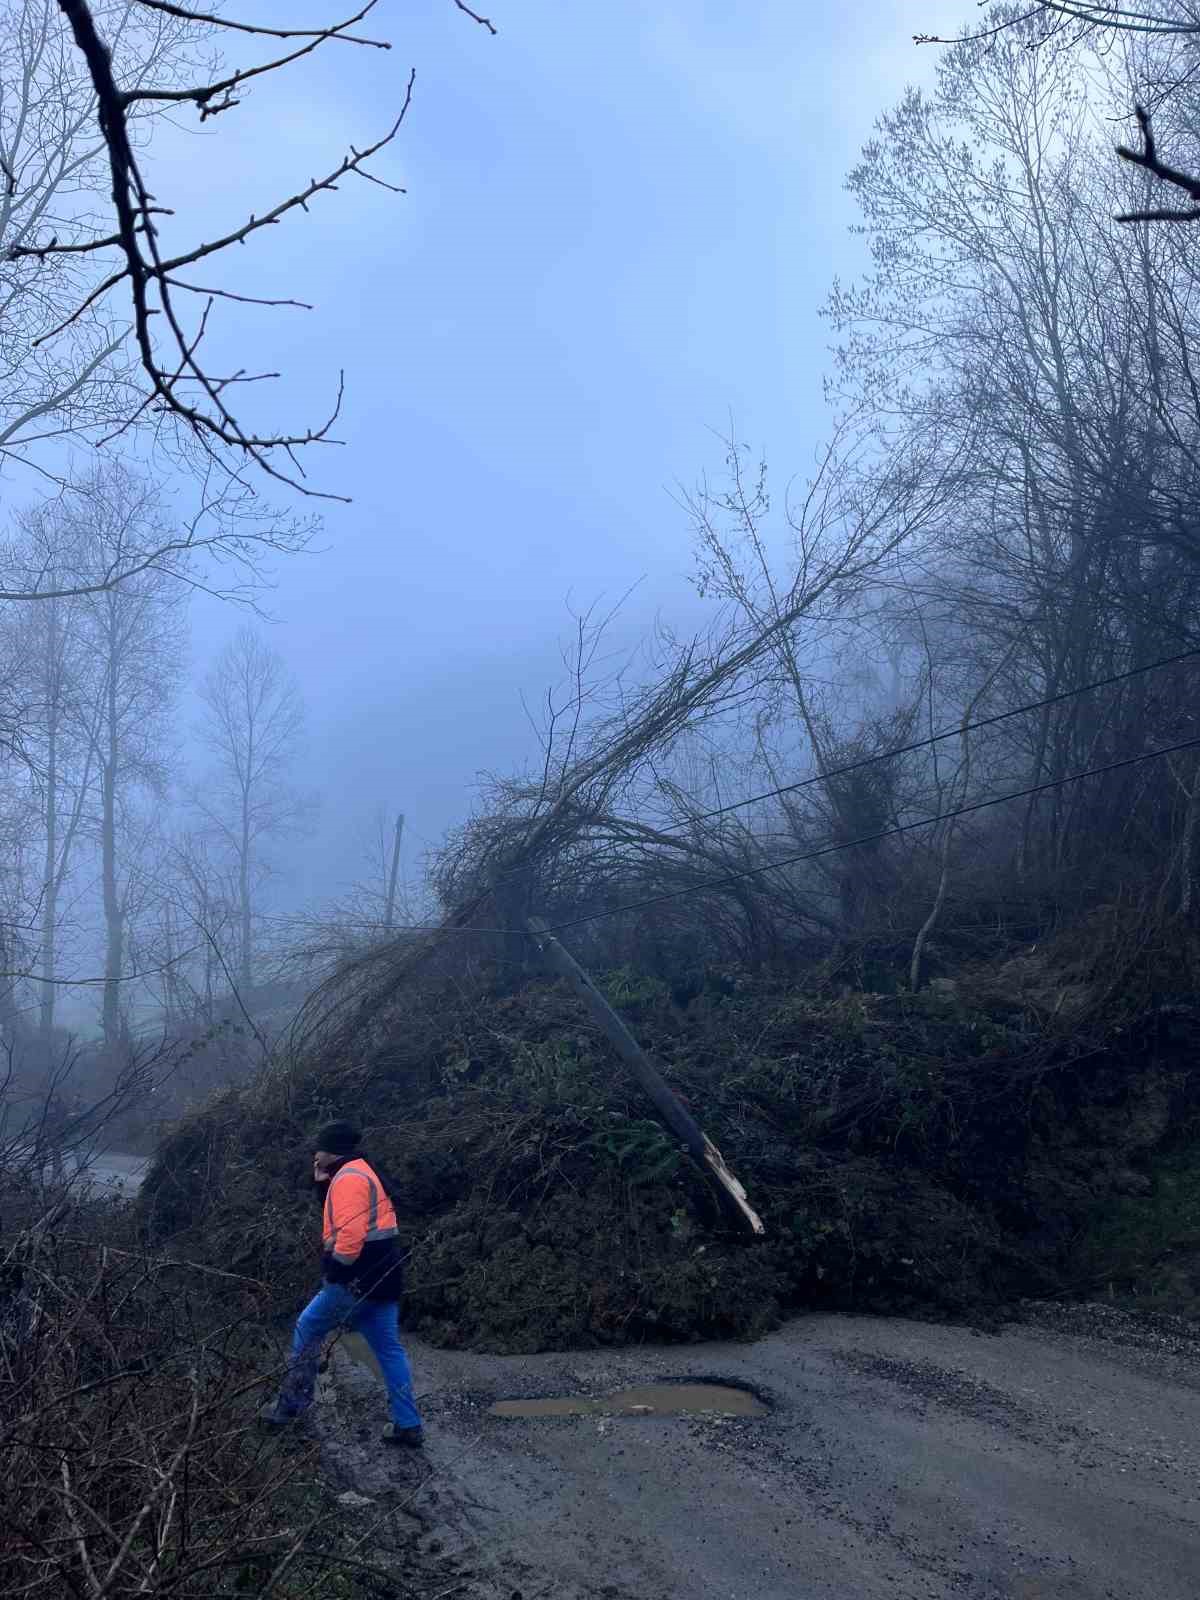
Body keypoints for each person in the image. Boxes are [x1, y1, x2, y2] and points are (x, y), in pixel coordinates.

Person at [260, 1120, 424, 1446]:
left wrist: (335, 1274)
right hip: (384, 1278)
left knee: (308, 1328)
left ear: (329, 1150)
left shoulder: (348, 1179)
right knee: (390, 1351)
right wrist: (322, 1184)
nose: (314, 1155)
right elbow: (344, 1215)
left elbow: (349, 1235)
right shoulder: (358, 1172)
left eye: (317, 1150)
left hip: (356, 1280)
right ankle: (408, 1425)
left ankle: (290, 1409)